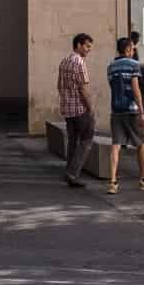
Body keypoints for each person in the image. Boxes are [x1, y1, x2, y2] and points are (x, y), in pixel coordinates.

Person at [105, 37, 144, 195]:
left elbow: (112, 88)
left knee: (116, 145)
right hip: (132, 109)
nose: (134, 51)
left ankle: (113, 182)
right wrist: (142, 112)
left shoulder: (111, 67)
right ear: (128, 49)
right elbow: (136, 89)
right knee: (141, 142)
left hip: (116, 110)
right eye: (133, 48)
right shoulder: (134, 65)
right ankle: (143, 179)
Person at [57, 33, 95, 188]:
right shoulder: (79, 63)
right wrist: (90, 107)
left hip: (67, 108)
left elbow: (59, 85)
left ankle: (68, 171)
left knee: (73, 141)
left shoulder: (64, 61)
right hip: (80, 109)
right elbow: (83, 88)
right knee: (86, 140)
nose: (88, 50)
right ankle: (73, 173)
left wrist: (66, 99)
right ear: (78, 45)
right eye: (86, 46)